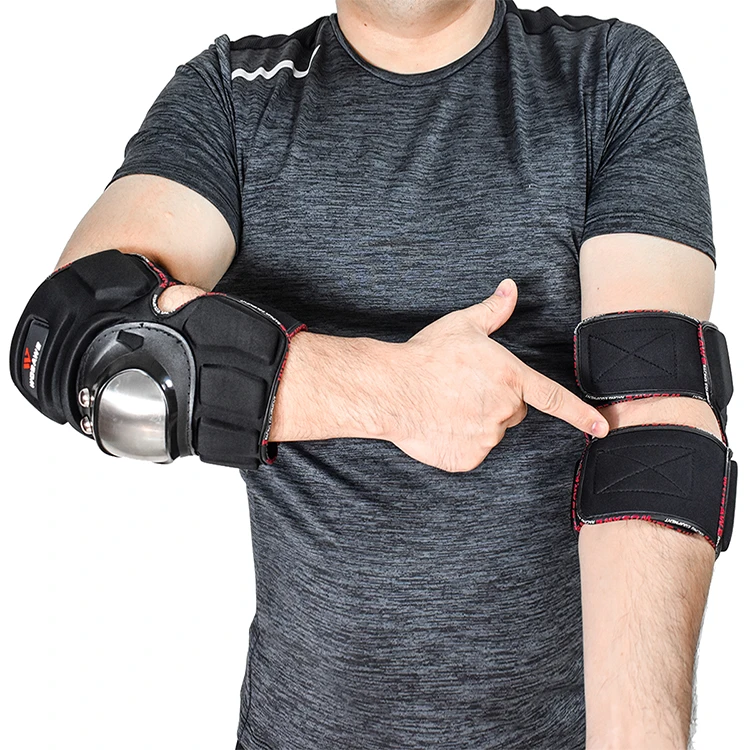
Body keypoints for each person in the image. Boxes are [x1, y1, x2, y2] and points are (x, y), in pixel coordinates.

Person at [8, 1, 735, 748]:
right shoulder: (233, 96)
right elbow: (80, 339)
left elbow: (654, 422)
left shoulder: (609, 76)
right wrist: (394, 392)